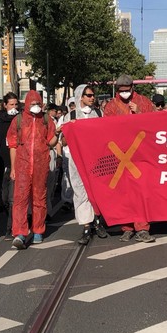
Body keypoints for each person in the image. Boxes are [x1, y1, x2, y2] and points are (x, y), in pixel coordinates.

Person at [103, 75, 156, 243]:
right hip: (120, 154)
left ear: (132, 88)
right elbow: (106, 129)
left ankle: (142, 228)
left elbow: (155, 123)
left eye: (127, 90)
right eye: (121, 91)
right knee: (123, 193)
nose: (124, 93)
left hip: (141, 154)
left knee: (141, 192)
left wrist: (139, 113)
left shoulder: (144, 102)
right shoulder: (111, 106)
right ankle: (126, 227)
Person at [7, 90, 57, 249]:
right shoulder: (18, 120)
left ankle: (38, 230)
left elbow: (51, 142)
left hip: (41, 165)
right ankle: (20, 233)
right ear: (27, 104)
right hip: (22, 165)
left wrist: (57, 134)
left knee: (39, 198)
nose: (36, 106)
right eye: (33, 104)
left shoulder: (46, 120)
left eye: (38, 104)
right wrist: (13, 167)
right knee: (20, 200)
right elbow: (13, 145)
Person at [59, 84, 108, 245]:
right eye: (89, 95)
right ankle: (86, 225)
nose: (92, 98)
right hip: (78, 160)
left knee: (97, 191)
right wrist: (69, 129)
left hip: (96, 160)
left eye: (93, 95)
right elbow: (64, 141)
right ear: (81, 96)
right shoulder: (70, 116)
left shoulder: (99, 114)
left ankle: (98, 220)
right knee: (80, 192)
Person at [0, 93, 18, 237]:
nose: (14, 107)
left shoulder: (20, 120)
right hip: (2, 163)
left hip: (16, 164)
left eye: (16, 104)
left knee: (12, 198)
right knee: (4, 197)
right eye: (11, 104)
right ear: (5, 105)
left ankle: (11, 227)